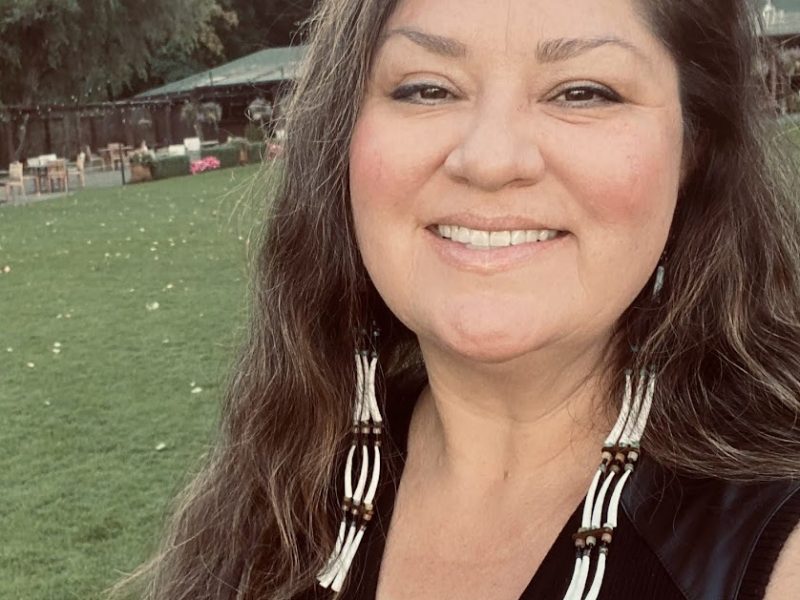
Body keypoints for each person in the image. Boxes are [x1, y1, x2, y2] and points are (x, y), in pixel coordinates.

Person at [117, 1, 800, 599]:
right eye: (425, 89)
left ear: (695, 146)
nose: (490, 158)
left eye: (584, 91)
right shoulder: (279, 493)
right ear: (342, 138)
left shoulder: (778, 551)